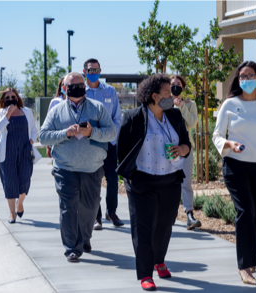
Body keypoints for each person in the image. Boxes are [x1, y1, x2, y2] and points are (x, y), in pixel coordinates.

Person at [213, 61, 256, 285]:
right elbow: (217, 136)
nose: (245, 80)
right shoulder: (230, 104)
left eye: (250, 76)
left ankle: (252, 258)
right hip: (235, 165)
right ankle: (244, 266)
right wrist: (229, 145)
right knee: (245, 210)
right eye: (242, 76)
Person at [117, 74, 191, 291]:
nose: (172, 96)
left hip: (170, 181)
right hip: (142, 181)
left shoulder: (174, 116)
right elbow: (122, 152)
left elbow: (186, 143)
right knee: (144, 228)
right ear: (154, 96)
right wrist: (129, 176)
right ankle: (146, 274)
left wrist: (181, 150)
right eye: (168, 93)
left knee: (164, 226)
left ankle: (159, 260)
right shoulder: (133, 117)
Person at [40, 72, 116, 263]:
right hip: (64, 169)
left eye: (81, 85)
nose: (77, 88)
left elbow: (111, 133)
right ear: (64, 88)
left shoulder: (98, 108)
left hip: (92, 169)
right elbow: (43, 137)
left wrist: (92, 132)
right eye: (72, 85)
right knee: (68, 208)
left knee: (90, 208)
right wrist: (65, 133)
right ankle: (72, 248)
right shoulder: (56, 111)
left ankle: (84, 239)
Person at [83, 58, 123, 229]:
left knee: (112, 179)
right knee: (94, 179)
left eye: (96, 70)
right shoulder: (80, 92)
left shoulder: (110, 91)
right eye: (90, 70)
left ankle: (111, 212)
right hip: (89, 144)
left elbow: (117, 117)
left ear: (100, 71)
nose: (93, 73)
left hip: (108, 143)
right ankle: (96, 216)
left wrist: (112, 138)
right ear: (84, 72)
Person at [0, 88, 41, 224]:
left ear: (17, 97)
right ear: (3, 100)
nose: (10, 99)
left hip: (25, 150)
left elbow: (33, 130)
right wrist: (8, 113)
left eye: (13, 96)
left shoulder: (27, 112)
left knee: (25, 179)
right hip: (7, 151)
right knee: (10, 181)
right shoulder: (1, 112)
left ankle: (20, 203)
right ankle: (12, 213)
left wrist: (31, 140)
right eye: (7, 98)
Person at [171, 75, 202, 230]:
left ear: (183, 88)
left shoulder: (190, 105)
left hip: (185, 148)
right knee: (169, 182)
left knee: (186, 182)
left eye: (178, 84)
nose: (176, 86)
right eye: (172, 84)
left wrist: (182, 106)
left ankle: (189, 214)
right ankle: (169, 214)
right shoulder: (164, 104)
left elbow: (192, 123)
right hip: (169, 149)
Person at [46, 76, 67, 158]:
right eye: (63, 84)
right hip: (57, 140)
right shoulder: (55, 102)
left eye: (67, 84)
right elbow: (49, 123)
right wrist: (48, 145)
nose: (65, 87)